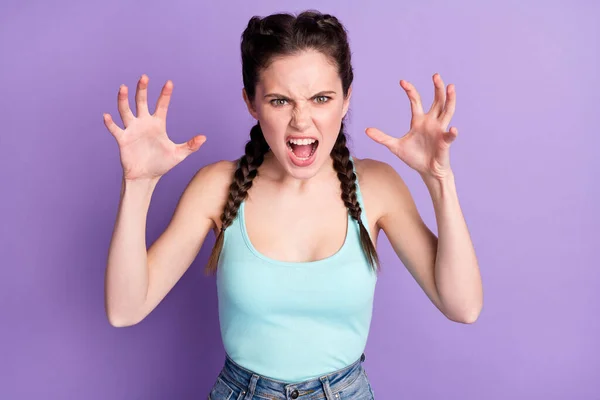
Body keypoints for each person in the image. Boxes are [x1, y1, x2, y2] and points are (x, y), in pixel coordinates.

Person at [102, 9, 482, 400]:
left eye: (321, 98)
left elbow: (463, 306)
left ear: (346, 99)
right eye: (280, 100)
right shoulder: (216, 187)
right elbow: (125, 310)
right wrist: (138, 184)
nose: (301, 121)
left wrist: (439, 181)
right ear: (251, 103)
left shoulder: (378, 185)